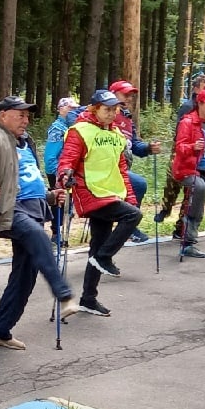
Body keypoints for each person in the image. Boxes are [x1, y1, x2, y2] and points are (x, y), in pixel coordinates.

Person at [0, 96, 75, 349]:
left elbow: (24, 181)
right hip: (8, 211)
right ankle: (64, 294)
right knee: (40, 237)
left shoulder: (25, 142)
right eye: (20, 114)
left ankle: (0, 330)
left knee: (25, 275)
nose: (26, 120)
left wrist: (49, 196)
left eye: (27, 115)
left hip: (33, 207)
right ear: (3, 115)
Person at [56, 89, 141, 317]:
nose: (113, 113)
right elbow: (67, 159)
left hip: (110, 193)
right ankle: (105, 257)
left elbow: (121, 169)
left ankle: (88, 298)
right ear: (94, 109)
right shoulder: (79, 131)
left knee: (97, 247)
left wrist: (130, 196)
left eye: (115, 109)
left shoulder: (115, 135)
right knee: (133, 216)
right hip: (90, 193)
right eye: (108, 109)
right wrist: (64, 175)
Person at [170, 86, 205, 259]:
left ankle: (188, 239)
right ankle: (188, 241)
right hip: (187, 169)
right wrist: (193, 147)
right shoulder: (187, 122)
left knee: (197, 204)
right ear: (199, 103)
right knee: (199, 190)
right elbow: (179, 147)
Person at [110, 80, 160, 244]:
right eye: (125, 95)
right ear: (113, 95)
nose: (129, 98)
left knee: (137, 185)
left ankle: (128, 226)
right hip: (108, 167)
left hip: (123, 167)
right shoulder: (105, 113)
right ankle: (128, 226)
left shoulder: (127, 119)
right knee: (138, 184)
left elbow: (135, 145)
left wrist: (148, 148)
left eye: (131, 96)